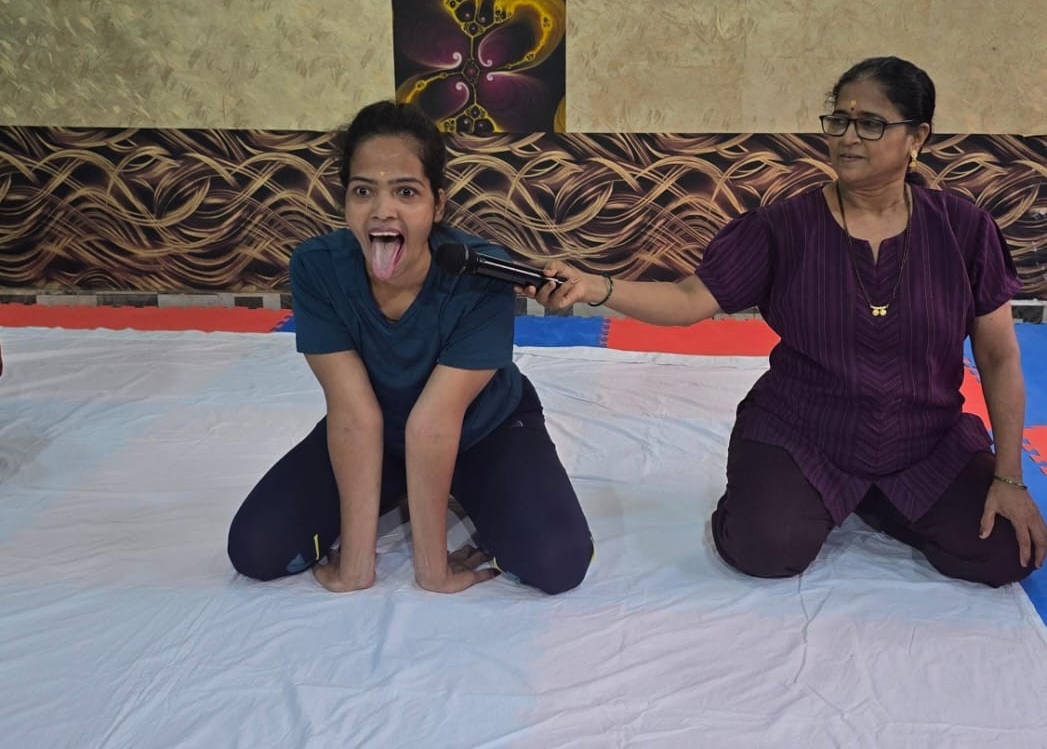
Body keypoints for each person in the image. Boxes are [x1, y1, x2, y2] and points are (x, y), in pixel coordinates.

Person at [536, 57, 1047, 586]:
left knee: (1008, 553)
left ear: (916, 137)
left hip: (925, 441)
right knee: (763, 548)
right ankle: (805, 489)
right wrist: (597, 288)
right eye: (839, 120)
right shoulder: (783, 228)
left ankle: (877, 498)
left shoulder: (963, 230)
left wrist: (1010, 476)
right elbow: (689, 299)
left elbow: (998, 355)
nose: (848, 137)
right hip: (806, 435)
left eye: (871, 124)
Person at [228, 100, 592, 595]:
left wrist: (432, 569)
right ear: (344, 201)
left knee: (557, 563)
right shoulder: (317, 268)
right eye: (363, 191)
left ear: (437, 205)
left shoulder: (480, 272)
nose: (383, 210)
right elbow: (354, 415)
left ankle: (458, 487)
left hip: (484, 431)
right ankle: (403, 485)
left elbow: (435, 422)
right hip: (378, 434)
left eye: (406, 191)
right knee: (257, 550)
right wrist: (356, 566)